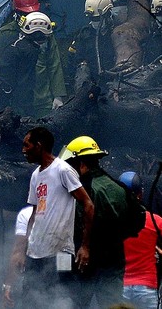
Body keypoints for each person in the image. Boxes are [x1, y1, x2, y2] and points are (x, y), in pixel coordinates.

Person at [20, 127, 94, 309]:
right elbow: (35, 212)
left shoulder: (63, 170)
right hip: (35, 252)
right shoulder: (36, 175)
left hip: (61, 251)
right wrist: (24, 247)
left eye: (26, 145)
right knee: (30, 301)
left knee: (61, 298)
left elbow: (88, 204)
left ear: (39, 146)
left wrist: (85, 246)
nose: (23, 150)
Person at [59, 135, 131, 308]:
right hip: (112, 266)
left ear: (80, 163)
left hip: (81, 267)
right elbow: (132, 223)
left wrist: (61, 272)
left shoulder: (79, 193)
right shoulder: (119, 188)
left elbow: (67, 232)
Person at [0, 12, 55, 120]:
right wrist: (29, 114)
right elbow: (25, 84)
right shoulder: (30, 50)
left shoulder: (4, 38)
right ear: (39, 34)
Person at [0, 0, 67, 118]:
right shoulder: (6, 33)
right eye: (25, 13)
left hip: (42, 98)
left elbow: (54, 64)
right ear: (16, 13)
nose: (29, 16)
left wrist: (58, 95)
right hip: (15, 99)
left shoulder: (45, 31)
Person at [118, 171, 161, 309]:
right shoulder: (156, 221)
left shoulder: (112, 219)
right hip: (146, 286)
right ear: (140, 194)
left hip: (120, 286)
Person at [67, 0, 117, 88]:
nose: (95, 22)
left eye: (98, 18)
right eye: (92, 19)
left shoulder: (117, 32)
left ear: (108, 14)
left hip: (113, 80)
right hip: (92, 83)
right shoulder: (85, 34)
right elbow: (74, 58)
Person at [2, 205, 33, 308]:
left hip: (63, 266)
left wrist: (8, 287)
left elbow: (18, 251)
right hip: (36, 271)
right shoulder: (26, 214)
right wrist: (8, 286)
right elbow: (18, 251)